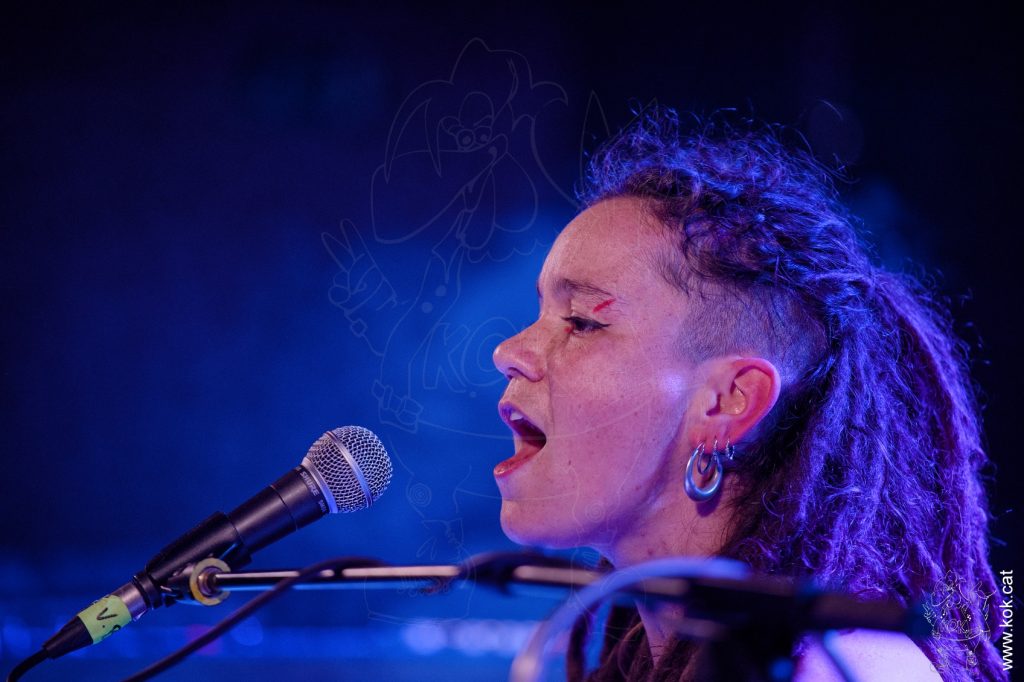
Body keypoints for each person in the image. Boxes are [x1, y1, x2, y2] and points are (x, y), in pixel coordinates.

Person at [491, 108, 1004, 681]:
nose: (509, 351)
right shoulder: (653, 658)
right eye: (540, 312)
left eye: (583, 322)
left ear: (727, 402)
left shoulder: (842, 669)